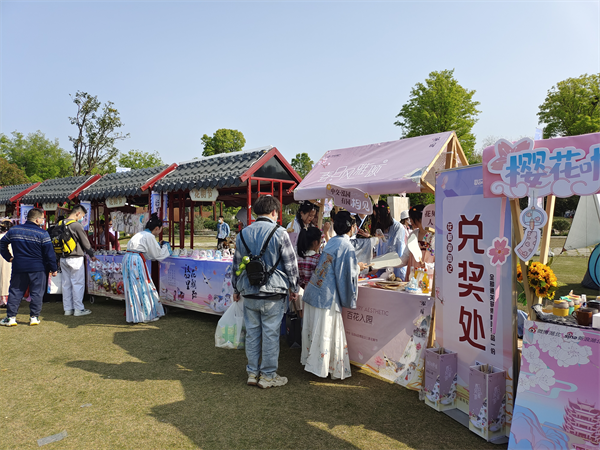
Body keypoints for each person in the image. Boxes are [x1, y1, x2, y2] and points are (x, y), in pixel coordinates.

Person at [232, 195, 299, 389]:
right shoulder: (280, 233)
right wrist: (294, 287)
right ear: (274, 212)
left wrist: (235, 288)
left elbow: (236, 265)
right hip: (274, 292)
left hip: (249, 291)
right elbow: (290, 264)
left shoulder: (242, 234)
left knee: (252, 333)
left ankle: (252, 373)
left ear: (255, 213)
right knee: (270, 334)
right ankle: (268, 375)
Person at [301, 211, 368, 379]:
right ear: (352, 228)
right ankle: (322, 367)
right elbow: (346, 273)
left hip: (315, 289)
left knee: (318, 330)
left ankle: (314, 363)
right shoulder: (346, 246)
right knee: (325, 330)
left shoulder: (332, 242)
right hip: (327, 295)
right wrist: (359, 267)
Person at [0, 208, 58, 326]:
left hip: (19, 267)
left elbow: (2, 243)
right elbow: (49, 253)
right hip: (38, 268)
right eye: (42, 218)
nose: (43, 220)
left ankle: (11, 317)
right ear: (37, 219)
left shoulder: (14, 230)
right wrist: (54, 268)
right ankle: (34, 317)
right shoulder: (43, 233)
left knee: (16, 291)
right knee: (37, 292)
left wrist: (9, 257)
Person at [123, 213, 171, 323]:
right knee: (143, 286)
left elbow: (148, 253)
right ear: (157, 228)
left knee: (132, 287)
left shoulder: (140, 234)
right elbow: (156, 255)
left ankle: (135, 315)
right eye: (160, 230)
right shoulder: (150, 236)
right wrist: (166, 247)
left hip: (128, 259)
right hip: (136, 261)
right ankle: (147, 315)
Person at [59, 205, 97, 316]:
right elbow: (85, 242)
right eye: (83, 216)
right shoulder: (76, 225)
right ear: (78, 214)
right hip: (75, 258)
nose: (82, 218)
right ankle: (78, 309)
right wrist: (91, 254)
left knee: (66, 284)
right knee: (77, 283)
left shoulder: (60, 224)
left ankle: (68, 309)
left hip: (63, 257)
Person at [395, 205, 435, 280]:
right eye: (410, 218)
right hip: (412, 275)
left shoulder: (433, 236)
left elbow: (440, 263)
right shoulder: (413, 234)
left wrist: (426, 265)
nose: (411, 222)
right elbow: (405, 257)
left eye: (413, 219)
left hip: (427, 277)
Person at [371, 200, 407, 281]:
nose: (378, 220)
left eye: (379, 217)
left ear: (387, 213)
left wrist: (381, 262)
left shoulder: (398, 228)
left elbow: (397, 251)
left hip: (395, 269)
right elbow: (377, 247)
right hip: (381, 268)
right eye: (375, 217)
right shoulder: (379, 227)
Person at [0, 220, 13, 307]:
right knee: (8, 278)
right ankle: (6, 299)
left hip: (4, 257)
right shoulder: (11, 236)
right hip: (10, 259)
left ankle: (2, 299)